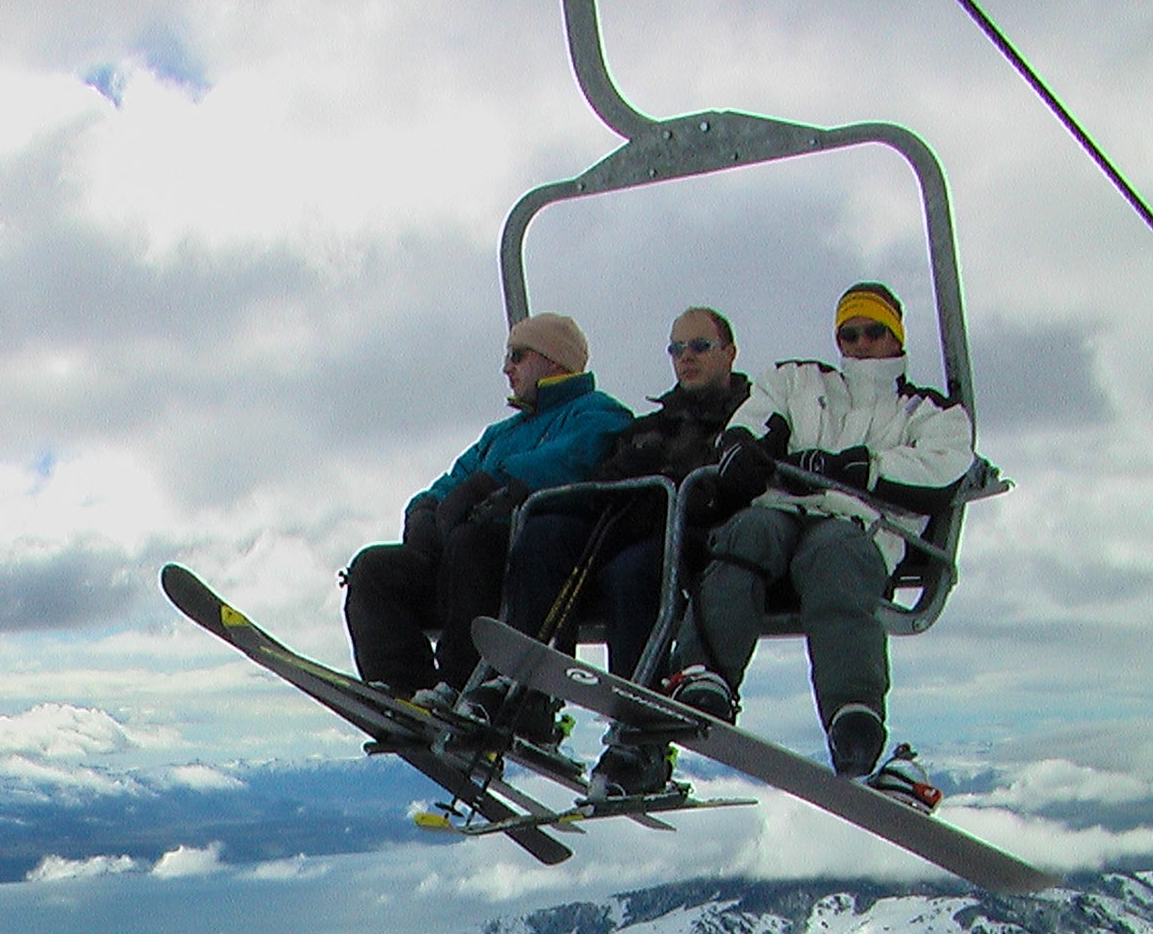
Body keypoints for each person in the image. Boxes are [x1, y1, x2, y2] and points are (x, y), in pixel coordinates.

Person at [663, 282, 975, 781]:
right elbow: (757, 416)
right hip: (786, 508)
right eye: (849, 334)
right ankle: (705, 675)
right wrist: (742, 448)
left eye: (874, 333)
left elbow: (942, 467)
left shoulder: (925, 411)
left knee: (834, 557)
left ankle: (853, 712)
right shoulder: (800, 382)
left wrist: (861, 469)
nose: (860, 344)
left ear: (896, 337)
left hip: (863, 525)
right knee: (747, 533)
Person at [475, 307, 763, 791]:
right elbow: (606, 476)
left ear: (729, 353)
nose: (686, 358)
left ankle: (638, 738)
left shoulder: (750, 418)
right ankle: (533, 690)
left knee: (633, 574)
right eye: (677, 349)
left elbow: (746, 479)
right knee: (546, 530)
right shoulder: (653, 426)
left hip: (701, 537)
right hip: (636, 524)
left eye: (699, 347)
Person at [343, 313, 631, 711]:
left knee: (471, 544)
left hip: (520, 562)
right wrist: (425, 512)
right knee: (375, 570)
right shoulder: (503, 433)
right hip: (463, 561)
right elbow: (453, 478)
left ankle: (463, 683)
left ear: (552, 360)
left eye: (517, 356)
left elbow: (571, 460)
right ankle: (403, 686)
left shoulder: (597, 414)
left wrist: (494, 485)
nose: (506, 368)